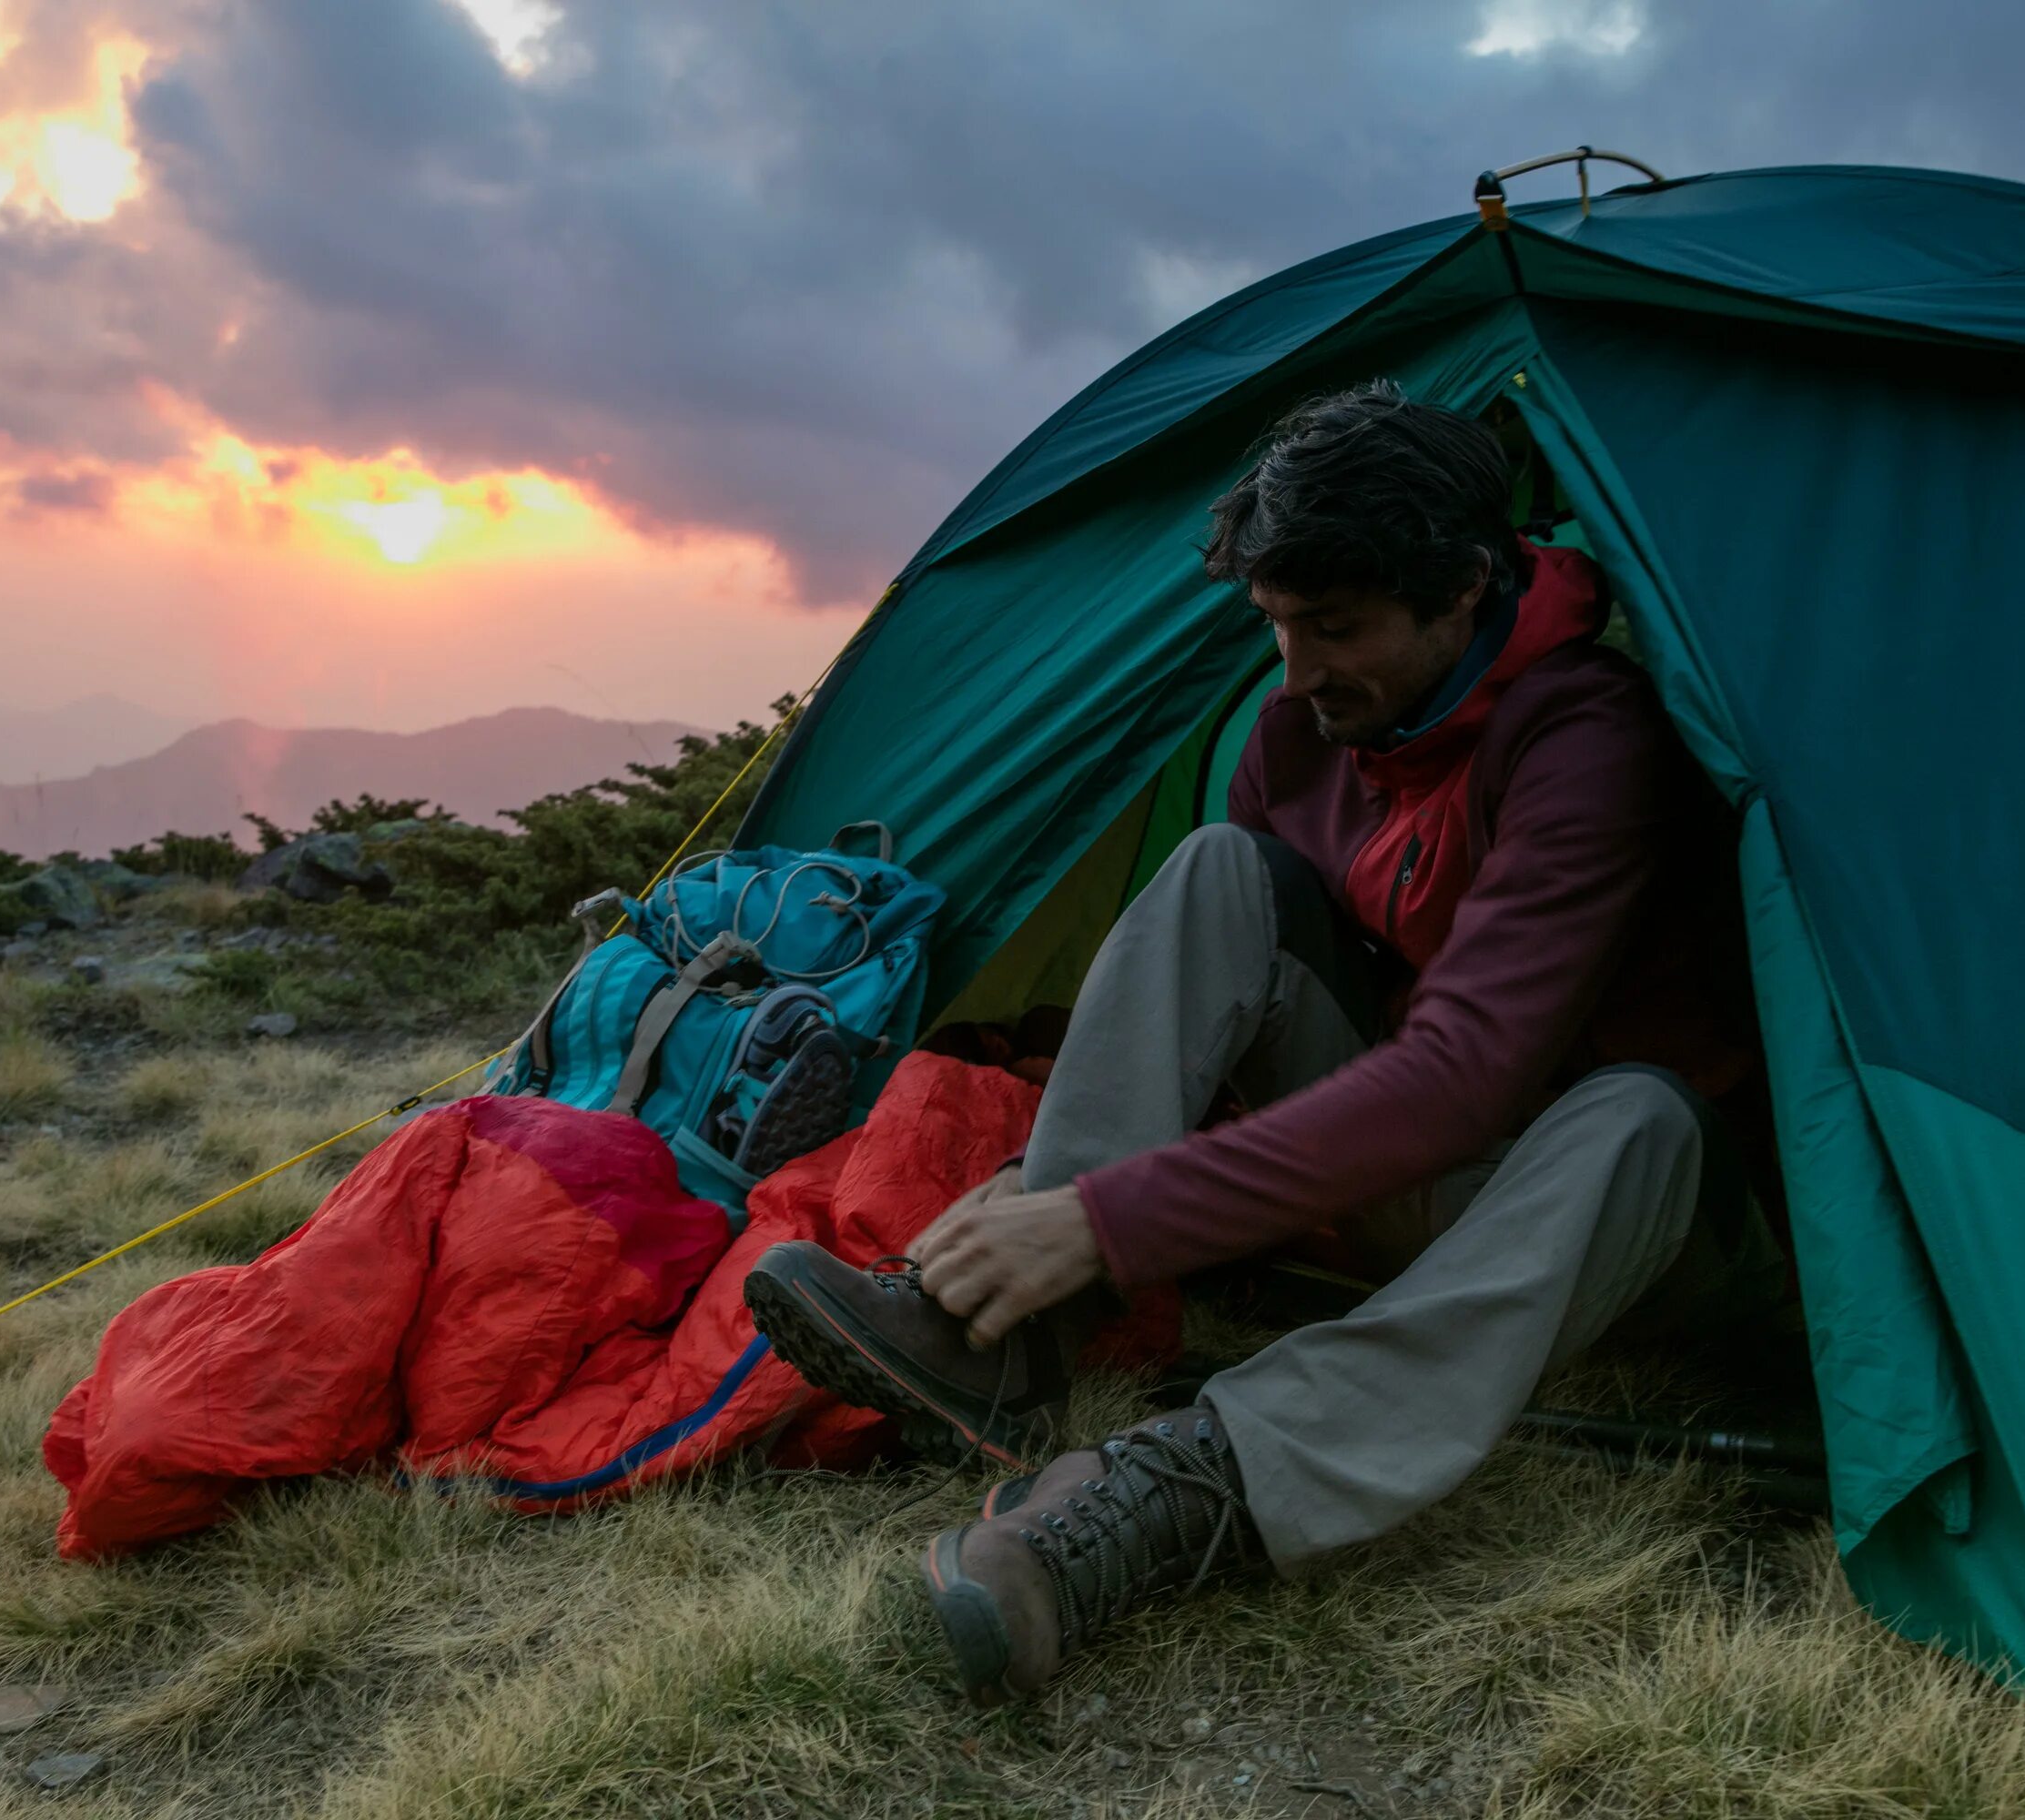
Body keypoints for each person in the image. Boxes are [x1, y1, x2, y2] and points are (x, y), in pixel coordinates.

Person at [743, 381, 1780, 1706]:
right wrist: (1060, 1185)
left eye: (1335, 629)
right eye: (1276, 626)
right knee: (1219, 866)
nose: (1294, 674)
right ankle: (1012, 1338)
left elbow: (1468, 1076)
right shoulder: (1303, 734)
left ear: (1464, 591)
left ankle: (1199, 1487)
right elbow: (1243, 1032)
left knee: (1637, 1111)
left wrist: (1113, 1219)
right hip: (1425, 1193)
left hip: (1636, 1223)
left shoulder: (1588, 741)